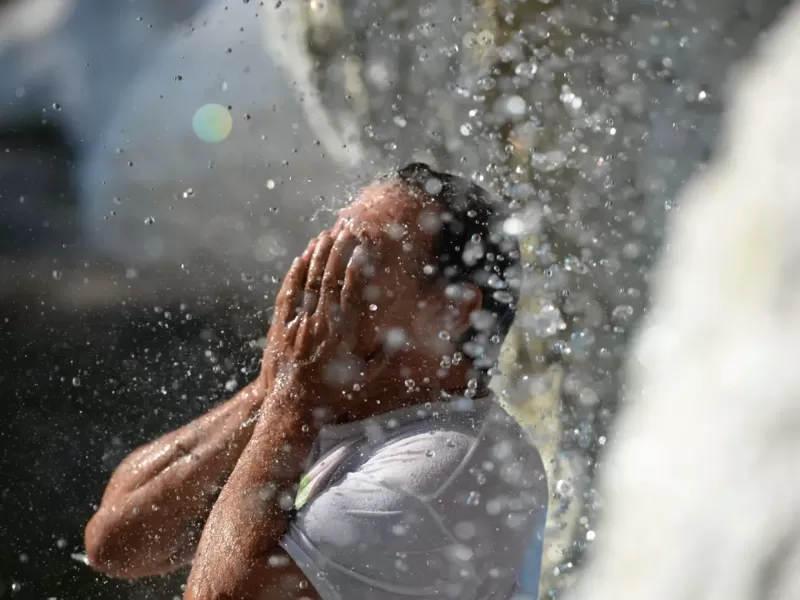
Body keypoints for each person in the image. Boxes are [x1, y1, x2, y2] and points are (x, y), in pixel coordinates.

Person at [84, 163, 548, 600]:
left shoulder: (441, 471)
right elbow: (115, 545)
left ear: (453, 310)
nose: (318, 274)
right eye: (329, 245)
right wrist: (270, 390)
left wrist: (291, 403)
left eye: (356, 257)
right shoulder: (339, 407)